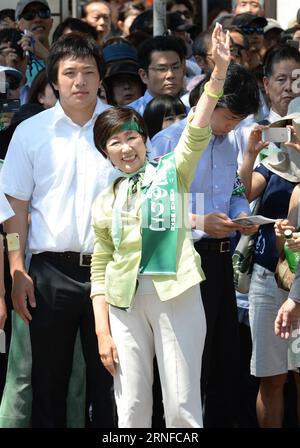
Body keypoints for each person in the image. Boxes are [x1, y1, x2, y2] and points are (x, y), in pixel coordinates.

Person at [91, 22, 231, 428]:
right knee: (131, 408)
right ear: (107, 154)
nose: (124, 147)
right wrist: (102, 331)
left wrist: (218, 73)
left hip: (176, 292)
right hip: (123, 302)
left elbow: (197, 129)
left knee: (182, 406)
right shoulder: (106, 200)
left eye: (130, 137)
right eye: (113, 142)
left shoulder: (171, 171)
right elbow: (100, 268)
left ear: (144, 140)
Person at [0, 32, 116, 428]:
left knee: (112, 382)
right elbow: (15, 206)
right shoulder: (31, 133)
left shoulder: (122, 128)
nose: (79, 81)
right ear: (53, 80)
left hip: (113, 271)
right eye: (69, 73)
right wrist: (17, 270)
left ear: (102, 78)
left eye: (88, 72)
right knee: (48, 383)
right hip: (49, 273)